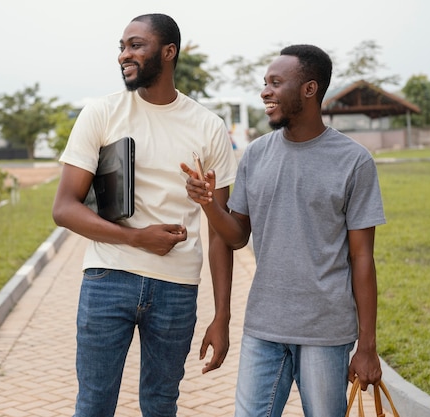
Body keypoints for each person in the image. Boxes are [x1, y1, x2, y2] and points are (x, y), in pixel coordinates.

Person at [182, 44, 386, 417]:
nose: (265, 92)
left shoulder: (354, 161)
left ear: (309, 89)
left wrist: (368, 346)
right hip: (264, 327)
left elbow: (362, 258)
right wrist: (210, 203)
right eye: (265, 83)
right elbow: (237, 236)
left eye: (276, 83)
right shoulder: (256, 155)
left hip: (326, 332)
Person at [52, 13, 238, 417]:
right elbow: (64, 208)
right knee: (94, 405)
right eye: (121, 47)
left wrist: (222, 316)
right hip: (107, 278)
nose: (124, 55)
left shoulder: (208, 126)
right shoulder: (101, 113)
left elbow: (221, 231)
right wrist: (136, 238)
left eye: (136, 45)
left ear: (168, 52)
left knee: (160, 405)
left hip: (176, 288)